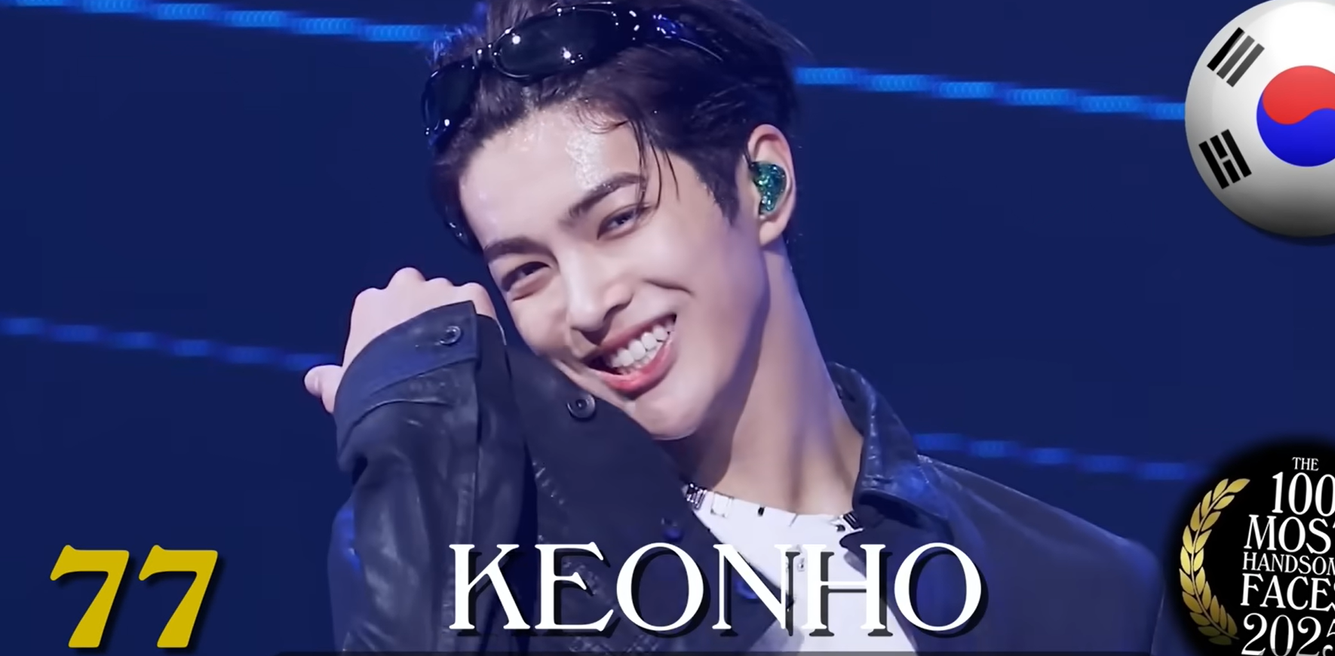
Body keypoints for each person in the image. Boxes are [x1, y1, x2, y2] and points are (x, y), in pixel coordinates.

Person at [302, 0, 1189, 653]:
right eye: (526, 272)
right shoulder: (488, 559)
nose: (586, 304)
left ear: (764, 185)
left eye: (618, 219)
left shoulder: (1080, 592)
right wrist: (419, 434)